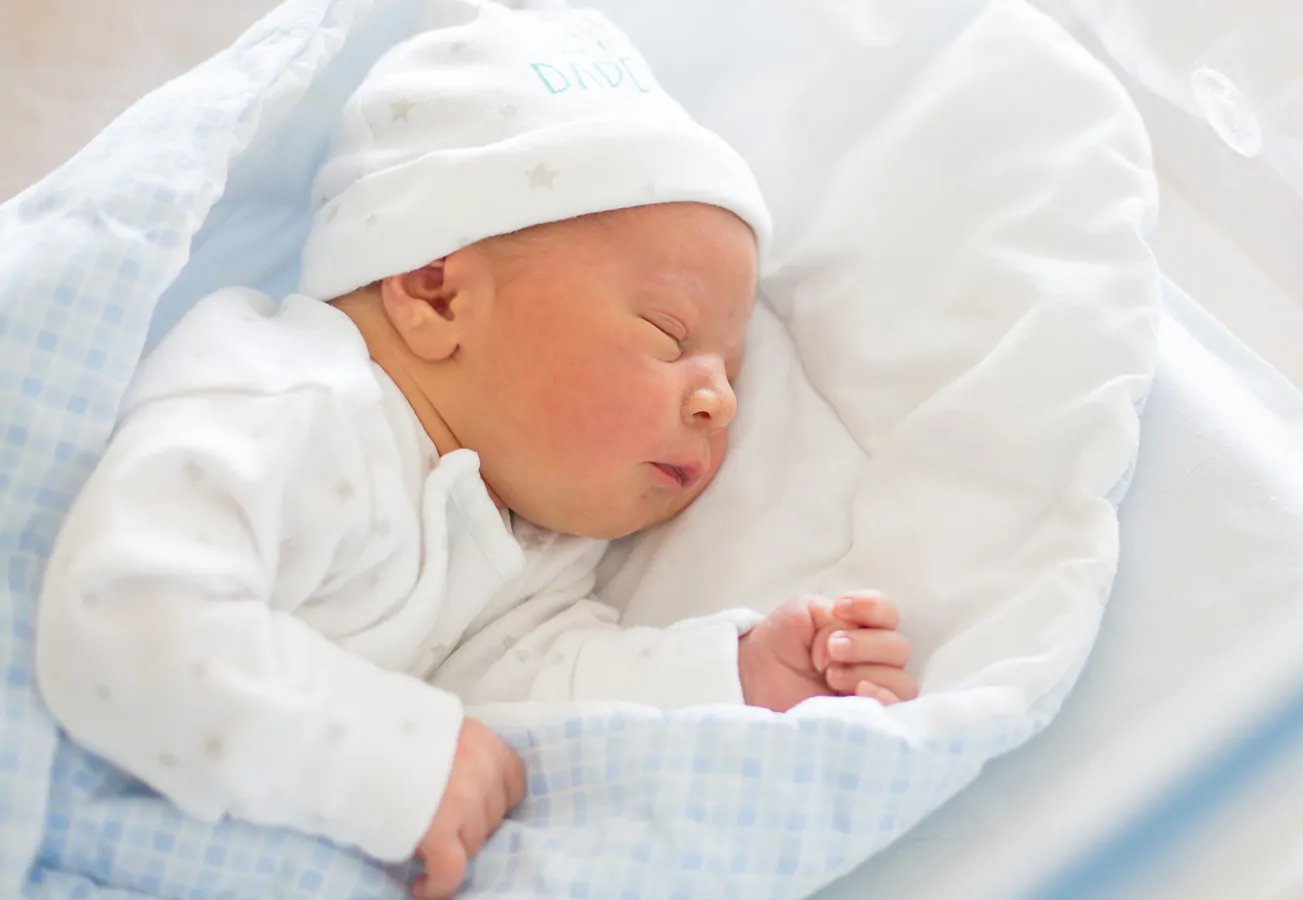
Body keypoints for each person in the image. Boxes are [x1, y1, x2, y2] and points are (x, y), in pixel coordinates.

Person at [32, 4, 916, 898]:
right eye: (666, 330)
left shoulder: (529, 544)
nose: (718, 399)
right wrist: (394, 759)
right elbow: (123, 620)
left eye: (731, 370)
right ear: (437, 295)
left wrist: (737, 673)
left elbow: (535, 686)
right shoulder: (291, 398)